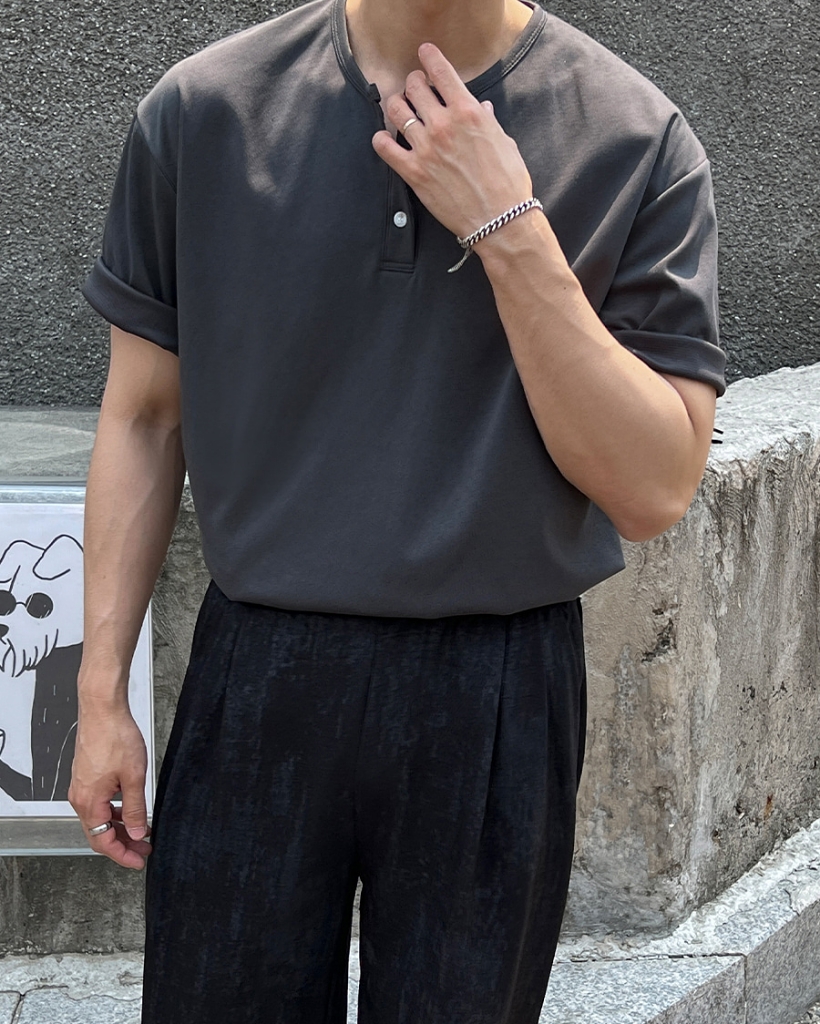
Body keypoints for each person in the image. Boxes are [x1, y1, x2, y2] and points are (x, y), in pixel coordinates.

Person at [69, 0, 726, 1020]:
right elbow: (146, 418)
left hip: (498, 686)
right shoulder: (205, 111)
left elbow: (654, 489)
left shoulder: (633, 135)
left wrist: (510, 227)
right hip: (258, 674)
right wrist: (100, 693)